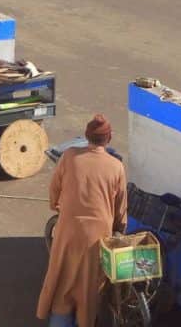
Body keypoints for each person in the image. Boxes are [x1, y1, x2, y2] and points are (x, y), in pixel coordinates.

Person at [37, 115, 128, 327]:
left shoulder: (69, 156)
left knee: (63, 283)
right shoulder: (116, 167)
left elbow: (54, 190)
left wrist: (57, 207)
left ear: (87, 136)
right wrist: (120, 228)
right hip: (97, 238)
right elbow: (121, 207)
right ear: (109, 138)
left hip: (68, 233)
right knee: (89, 289)